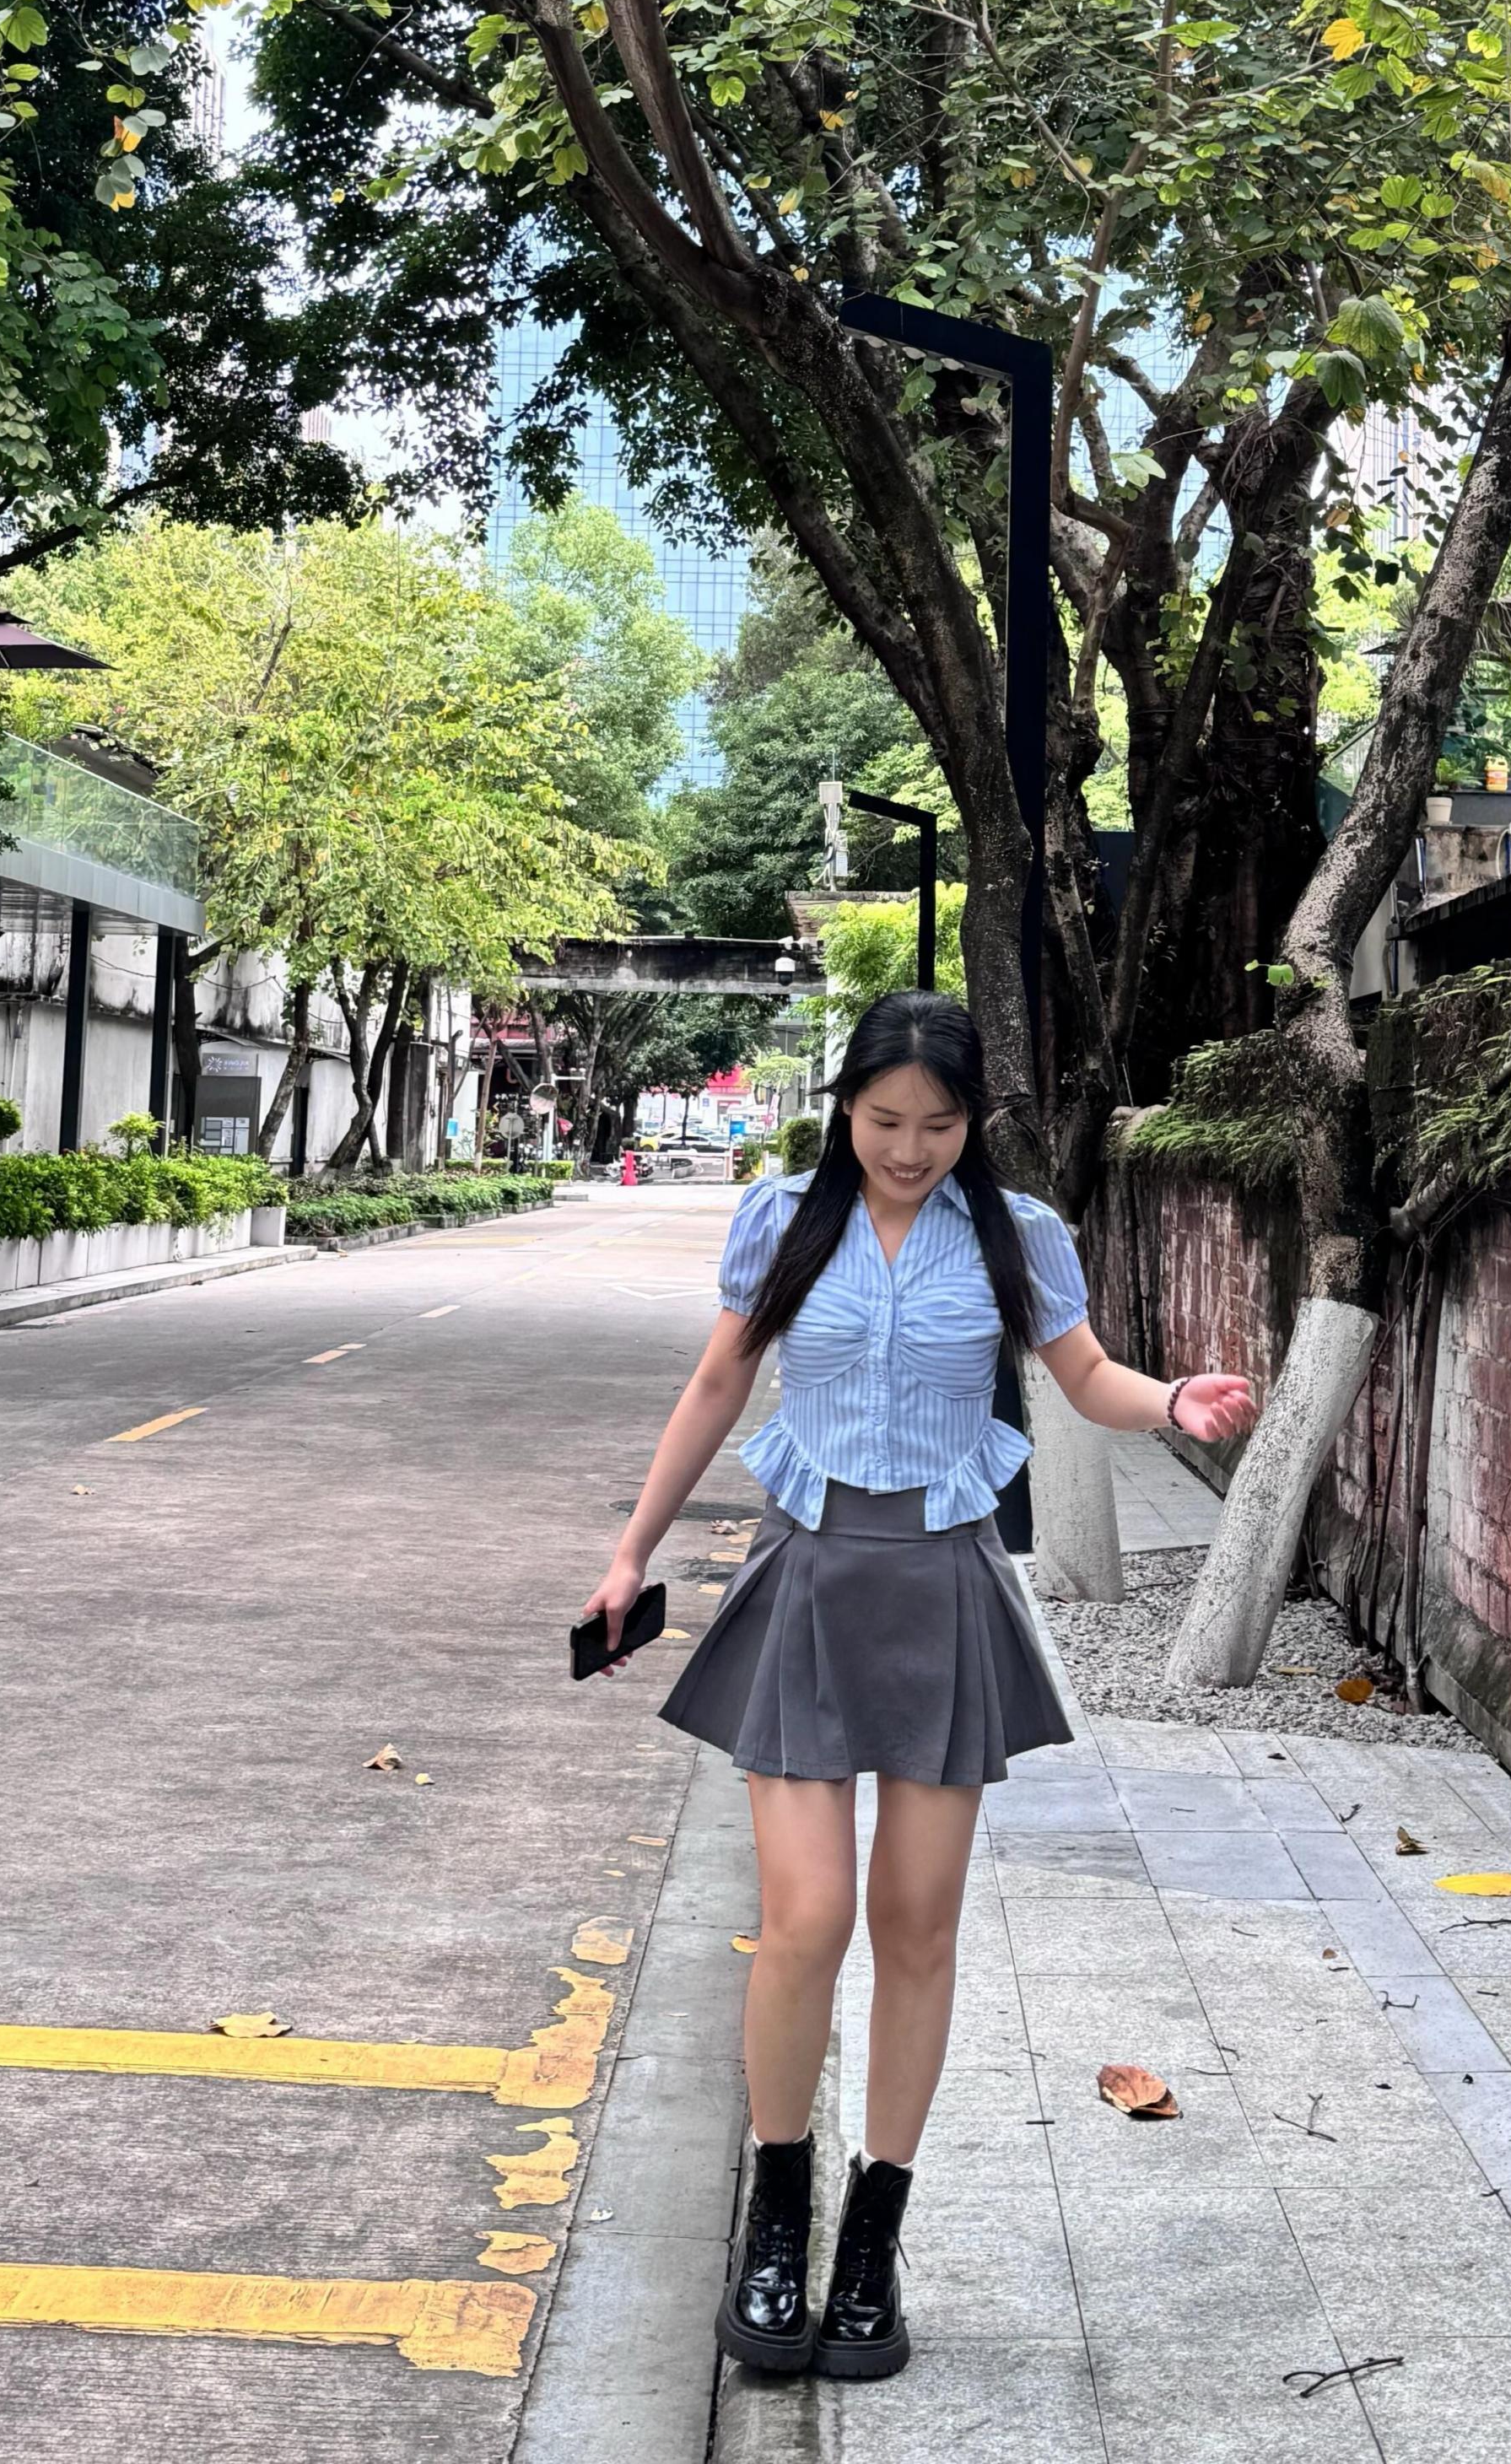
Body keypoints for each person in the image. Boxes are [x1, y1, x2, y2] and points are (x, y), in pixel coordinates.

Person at [580, 991, 1256, 2382]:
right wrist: (632, 1549)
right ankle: (777, 2220)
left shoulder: (1017, 1234)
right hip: (810, 1577)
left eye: (936, 1125)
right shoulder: (783, 1220)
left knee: (916, 1927)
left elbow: (1083, 1376)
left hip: (944, 1583)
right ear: (845, 1109)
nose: (907, 1148)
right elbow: (717, 1385)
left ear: (969, 1122)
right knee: (805, 1918)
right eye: (884, 1120)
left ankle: (870, 2244)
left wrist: (1171, 1402)